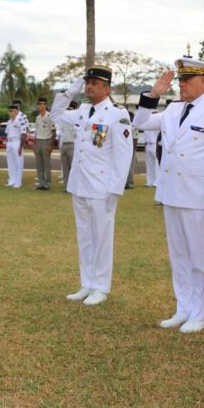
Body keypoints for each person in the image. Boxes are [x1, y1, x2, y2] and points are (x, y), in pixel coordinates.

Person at [134, 60, 204, 334]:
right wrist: (153, 94)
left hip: (200, 197)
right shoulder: (172, 109)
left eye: (187, 79)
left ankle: (199, 314)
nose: (181, 84)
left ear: (203, 82)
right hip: (172, 194)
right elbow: (140, 122)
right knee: (179, 256)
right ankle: (183, 309)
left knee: (200, 257)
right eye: (180, 80)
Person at [50, 66, 134, 306]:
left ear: (106, 88)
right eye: (87, 82)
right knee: (85, 236)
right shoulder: (83, 111)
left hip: (102, 186)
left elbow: (123, 154)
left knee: (102, 237)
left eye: (94, 83)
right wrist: (70, 92)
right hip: (79, 183)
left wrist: (115, 188)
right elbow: (55, 116)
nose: (89, 86)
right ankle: (87, 283)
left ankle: (101, 286)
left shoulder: (117, 115)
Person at [33, 97, 56, 190]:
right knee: (39, 164)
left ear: (45, 105)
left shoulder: (50, 116)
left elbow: (54, 131)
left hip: (46, 141)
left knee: (46, 164)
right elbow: (36, 131)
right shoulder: (38, 117)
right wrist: (34, 143)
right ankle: (41, 183)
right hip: (38, 141)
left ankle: (47, 183)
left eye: (40, 104)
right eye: (38, 104)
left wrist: (51, 145)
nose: (38, 106)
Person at [5, 101, 29, 188]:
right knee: (10, 162)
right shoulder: (8, 122)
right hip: (9, 142)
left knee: (18, 163)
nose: (9, 113)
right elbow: (7, 133)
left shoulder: (20, 120)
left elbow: (24, 134)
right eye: (9, 111)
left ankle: (18, 182)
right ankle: (12, 180)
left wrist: (21, 146)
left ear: (15, 112)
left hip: (17, 142)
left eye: (11, 111)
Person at [58, 101, 78, 190]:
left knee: (72, 168)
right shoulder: (65, 118)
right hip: (66, 144)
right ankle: (67, 187)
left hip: (71, 144)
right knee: (66, 168)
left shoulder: (76, 118)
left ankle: (72, 187)